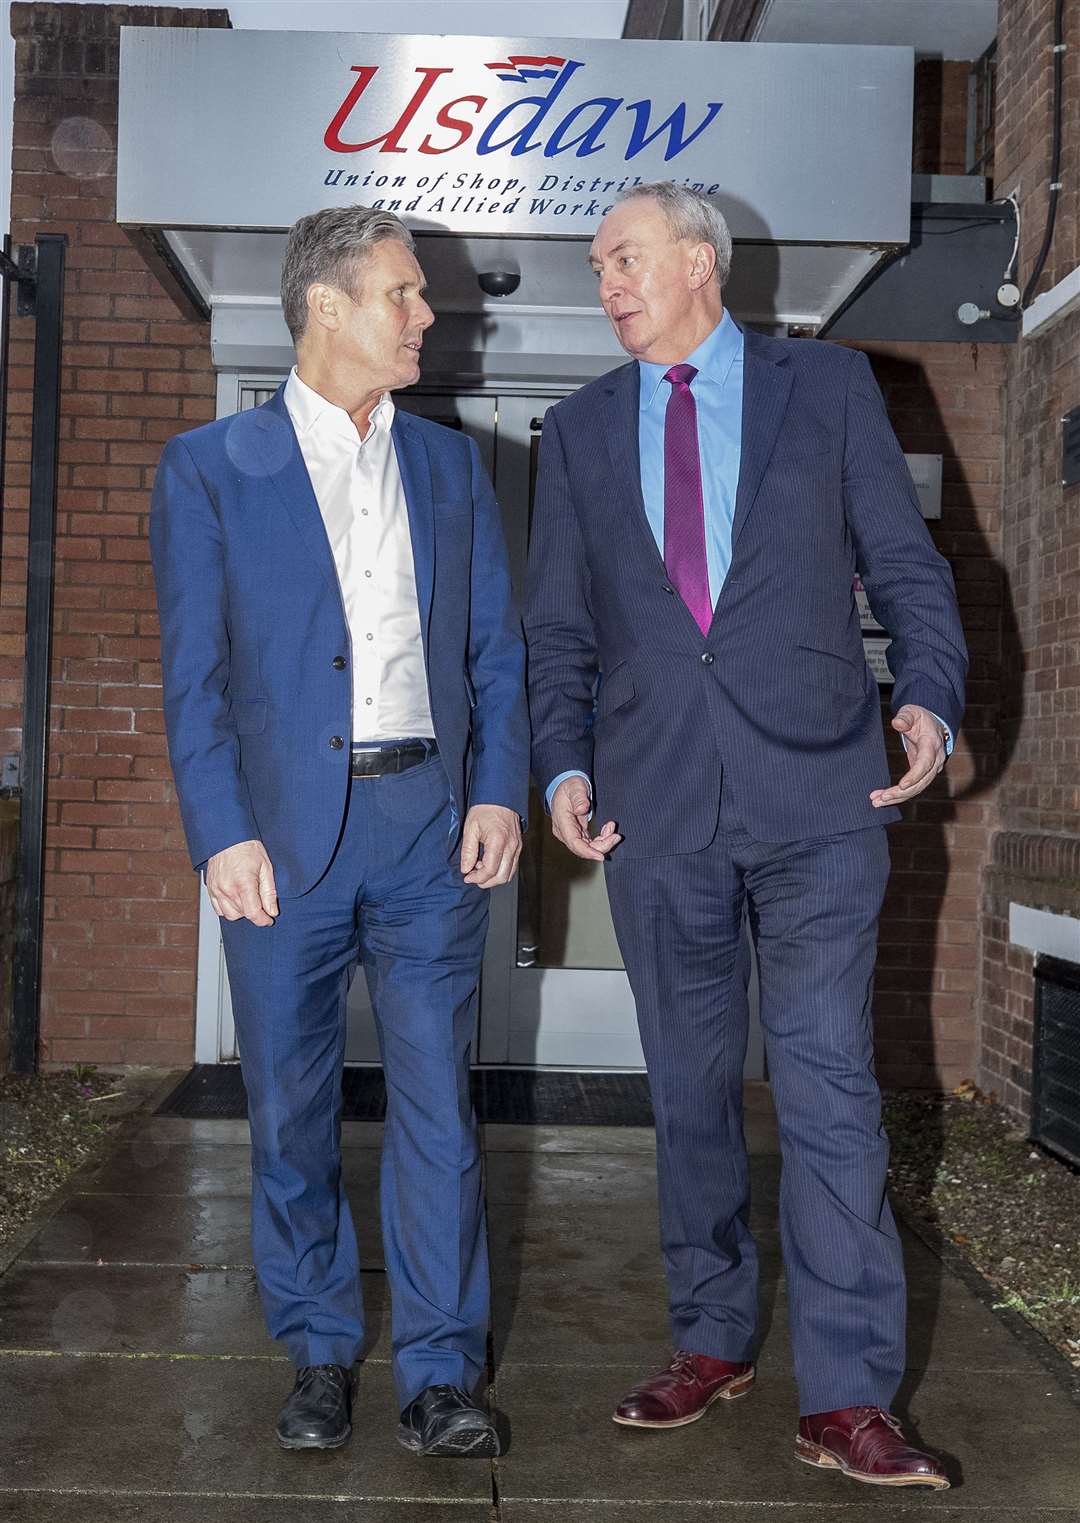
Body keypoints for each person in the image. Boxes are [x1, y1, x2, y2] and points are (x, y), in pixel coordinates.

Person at [525, 182, 966, 1490]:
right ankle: (711, 1335)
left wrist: (930, 695)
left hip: (825, 801)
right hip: (657, 810)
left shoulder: (826, 391)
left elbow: (908, 564)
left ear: (701, 262)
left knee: (828, 1088)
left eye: (625, 256)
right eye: (597, 262)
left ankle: (847, 1395)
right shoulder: (578, 430)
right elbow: (558, 627)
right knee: (692, 1092)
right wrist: (561, 762)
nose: (606, 279)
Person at [150, 205, 528, 1459]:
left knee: (437, 1110)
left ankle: (439, 1369)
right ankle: (316, 1349)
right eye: (404, 293)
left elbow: (492, 648)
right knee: (291, 1109)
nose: (428, 314)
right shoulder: (211, 467)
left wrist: (497, 788)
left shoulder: (450, 463)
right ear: (325, 306)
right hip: (281, 841)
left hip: (426, 825)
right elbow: (192, 676)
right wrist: (219, 830)